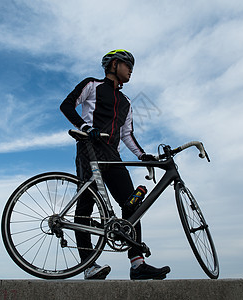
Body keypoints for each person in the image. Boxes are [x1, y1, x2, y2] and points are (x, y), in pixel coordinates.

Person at [60, 49, 171, 280]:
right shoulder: (92, 85)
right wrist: (84, 128)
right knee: (86, 205)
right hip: (89, 150)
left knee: (132, 205)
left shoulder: (126, 102)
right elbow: (67, 106)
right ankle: (88, 266)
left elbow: (127, 134)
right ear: (113, 65)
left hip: (113, 155)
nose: (131, 70)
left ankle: (138, 265)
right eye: (127, 65)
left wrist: (142, 156)